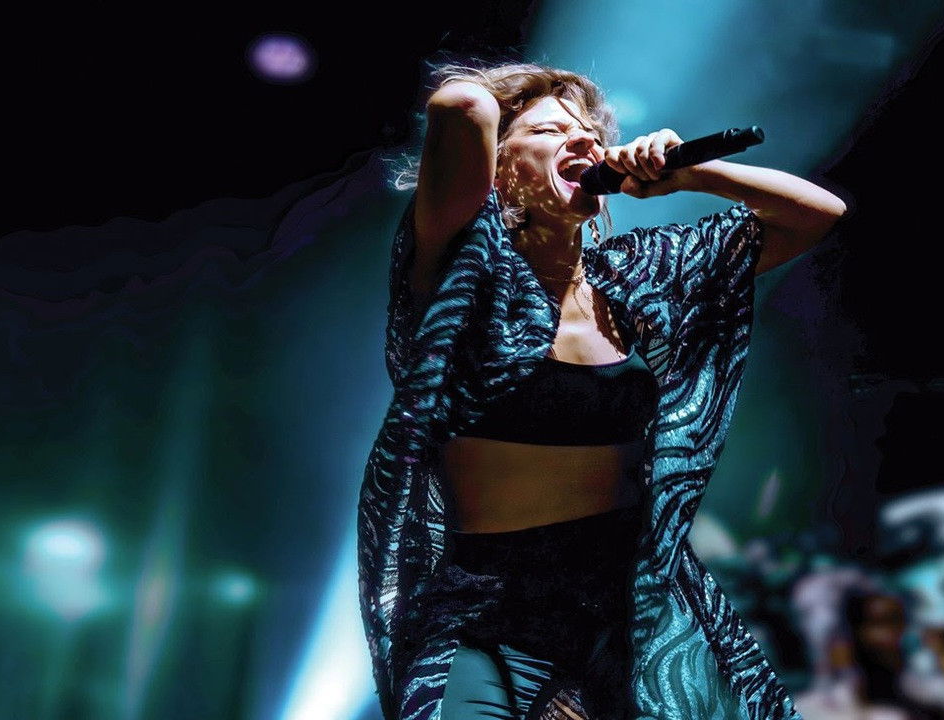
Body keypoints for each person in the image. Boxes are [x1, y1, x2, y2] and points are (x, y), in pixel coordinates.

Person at [358, 60, 847, 720]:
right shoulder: (462, 270)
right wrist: (531, 89)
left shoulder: (631, 279)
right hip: (490, 618)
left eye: (591, 133)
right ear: (496, 168)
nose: (585, 140)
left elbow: (817, 214)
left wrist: (692, 174)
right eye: (549, 132)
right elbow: (461, 107)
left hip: (626, 619)